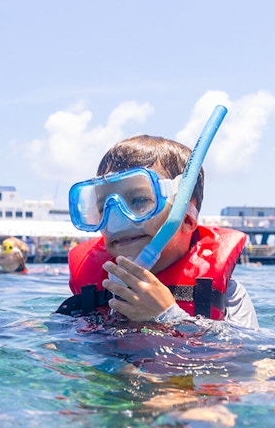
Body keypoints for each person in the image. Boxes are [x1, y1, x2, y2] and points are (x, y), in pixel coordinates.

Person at [55, 135, 258, 327]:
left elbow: (249, 360)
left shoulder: (228, 296)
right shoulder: (91, 291)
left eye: (139, 200)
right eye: (103, 208)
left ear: (186, 218)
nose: (116, 221)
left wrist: (167, 316)